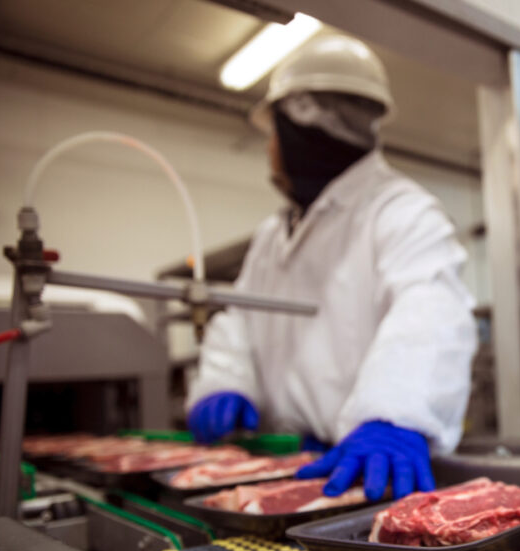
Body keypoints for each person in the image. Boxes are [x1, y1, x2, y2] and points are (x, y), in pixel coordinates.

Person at [185, 35, 477, 502]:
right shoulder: (271, 236)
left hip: (367, 469)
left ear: (300, 128)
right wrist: (224, 382)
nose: (269, 151)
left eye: (274, 134)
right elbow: (240, 319)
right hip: (286, 466)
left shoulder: (401, 210)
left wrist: (392, 415)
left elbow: (431, 307)